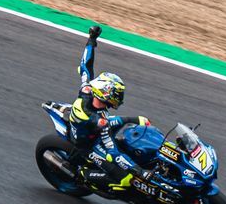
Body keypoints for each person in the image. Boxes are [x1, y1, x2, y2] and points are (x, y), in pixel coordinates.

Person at [62, 26, 156, 195]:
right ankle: (83, 175)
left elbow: (85, 65)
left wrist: (92, 39)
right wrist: (138, 170)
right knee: (125, 180)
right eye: (116, 94)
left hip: (88, 128)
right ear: (105, 94)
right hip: (88, 145)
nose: (119, 98)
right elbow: (112, 150)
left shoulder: (87, 89)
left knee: (135, 129)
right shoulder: (99, 120)